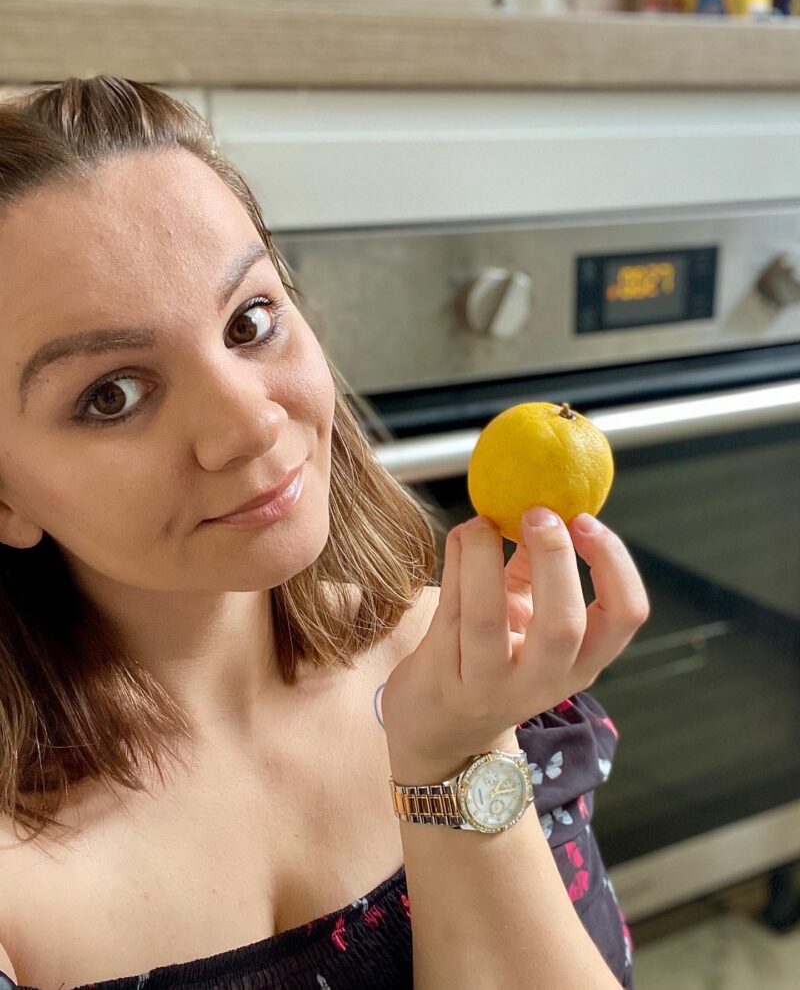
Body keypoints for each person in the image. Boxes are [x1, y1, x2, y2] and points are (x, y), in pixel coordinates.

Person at [0, 77, 649, 990]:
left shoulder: (469, 675)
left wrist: (456, 755)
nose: (253, 426)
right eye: (112, 394)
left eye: (250, 320)